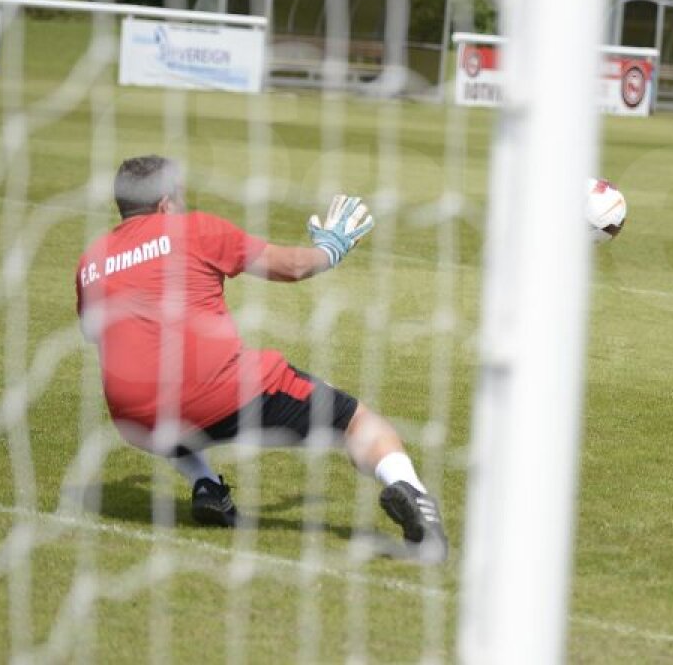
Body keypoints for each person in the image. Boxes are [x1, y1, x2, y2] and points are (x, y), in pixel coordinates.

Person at [75, 155, 447, 561]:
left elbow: (94, 331)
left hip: (135, 417)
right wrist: (329, 250)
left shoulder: (91, 261)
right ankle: (415, 498)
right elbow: (288, 268)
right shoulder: (194, 229)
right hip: (220, 391)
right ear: (165, 203)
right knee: (357, 421)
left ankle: (208, 487)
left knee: (161, 400)